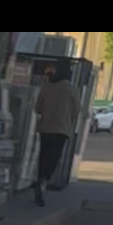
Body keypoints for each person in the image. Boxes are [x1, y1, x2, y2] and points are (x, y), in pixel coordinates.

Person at [34, 64, 79, 205]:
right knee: (54, 156)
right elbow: (77, 110)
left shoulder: (47, 86)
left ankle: (40, 178)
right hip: (62, 130)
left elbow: (37, 108)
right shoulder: (71, 89)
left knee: (44, 154)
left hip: (46, 127)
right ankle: (45, 181)